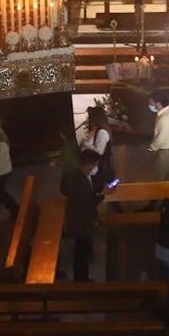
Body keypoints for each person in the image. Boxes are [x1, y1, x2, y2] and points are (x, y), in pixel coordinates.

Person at [61, 149, 112, 282]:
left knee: (81, 251)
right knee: (81, 253)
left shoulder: (80, 175)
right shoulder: (80, 181)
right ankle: (81, 280)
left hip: (80, 220)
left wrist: (100, 188)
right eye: (95, 165)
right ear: (89, 164)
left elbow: (89, 190)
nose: (96, 168)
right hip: (81, 222)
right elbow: (89, 203)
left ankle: (82, 277)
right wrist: (103, 194)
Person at [148, 91, 169, 181]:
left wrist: (152, 147)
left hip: (166, 151)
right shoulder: (164, 114)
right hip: (167, 150)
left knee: (159, 176)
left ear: (158, 103)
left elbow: (162, 137)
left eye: (151, 103)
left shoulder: (167, 117)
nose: (150, 105)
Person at [79, 106, 114, 186]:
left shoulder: (102, 133)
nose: (89, 121)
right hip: (94, 169)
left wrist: (85, 143)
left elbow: (98, 152)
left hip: (100, 170)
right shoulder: (97, 131)